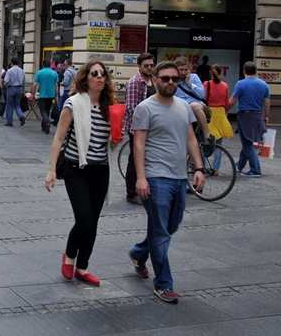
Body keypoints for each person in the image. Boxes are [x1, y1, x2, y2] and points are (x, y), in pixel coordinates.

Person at [128, 60, 205, 304]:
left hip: (179, 176)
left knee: (171, 226)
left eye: (175, 78)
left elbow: (191, 139)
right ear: (156, 80)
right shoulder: (145, 108)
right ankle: (163, 284)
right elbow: (138, 145)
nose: (171, 82)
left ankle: (139, 252)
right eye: (165, 78)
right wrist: (141, 178)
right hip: (155, 176)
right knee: (161, 232)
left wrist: (199, 168)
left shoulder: (184, 106)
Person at [45, 61, 119, 287]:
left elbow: (109, 144)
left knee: (93, 222)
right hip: (77, 169)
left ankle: (82, 267)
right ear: (85, 77)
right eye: (94, 73)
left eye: (102, 73)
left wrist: (117, 138)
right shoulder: (73, 103)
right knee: (84, 219)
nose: (99, 77)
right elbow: (58, 137)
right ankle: (69, 255)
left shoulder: (110, 107)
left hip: (101, 170)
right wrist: (51, 170)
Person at [122, 53, 156, 204]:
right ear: (139, 66)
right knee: (134, 159)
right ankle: (131, 193)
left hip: (151, 127)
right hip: (137, 127)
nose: (149, 68)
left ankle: (144, 187)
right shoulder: (135, 82)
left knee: (146, 157)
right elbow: (130, 108)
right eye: (146, 65)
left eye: (151, 65)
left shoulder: (152, 81)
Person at [227, 61, 270, 178]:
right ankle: (239, 165)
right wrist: (266, 116)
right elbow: (266, 102)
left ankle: (255, 169)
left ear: (244, 71)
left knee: (247, 143)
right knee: (248, 141)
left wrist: (224, 110)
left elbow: (232, 100)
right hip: (258, 115)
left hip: (245, 115)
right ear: (256, 71)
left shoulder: (241, 84)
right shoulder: (264, 84)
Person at [174, 57, 215, 155]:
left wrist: (189, 83)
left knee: (193, 106)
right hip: (183, 113)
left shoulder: (194, 77)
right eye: (181, 70)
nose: (183, 73)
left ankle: (207, 137)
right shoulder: (173, 81)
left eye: (186, 70)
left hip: (200, 108)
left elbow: (202, 94)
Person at [203, 64, 233, 174]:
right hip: (220, 114)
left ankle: (203, 167)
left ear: (211, 72)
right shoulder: (225, 85)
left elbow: (203, 98)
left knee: (204, 141)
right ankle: (216, 169)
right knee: (219, 144)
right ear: (221, 73)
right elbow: (226, 102)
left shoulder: (207, 84)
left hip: (209, 113)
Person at [33, 60, 60, 134]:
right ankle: (44, 126)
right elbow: (56, 85)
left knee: (43, 110)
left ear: (42, 64)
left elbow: (34, 85)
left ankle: (47, 122)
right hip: (51, 94)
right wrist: (56, 96)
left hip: (43, 94)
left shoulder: (40, 72)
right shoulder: (54, 73)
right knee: (47, 109)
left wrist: (33, 93)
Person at [3, 57, 27, 127]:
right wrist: (23, 90)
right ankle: (21, 116)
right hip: (19, 88)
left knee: (9, 105)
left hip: (11, 88)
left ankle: (9, 121)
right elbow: (24, 82)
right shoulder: (22, 71)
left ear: (11, 62)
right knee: (17, 104)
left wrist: (7, 85)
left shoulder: (9, 71)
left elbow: (6, 81)